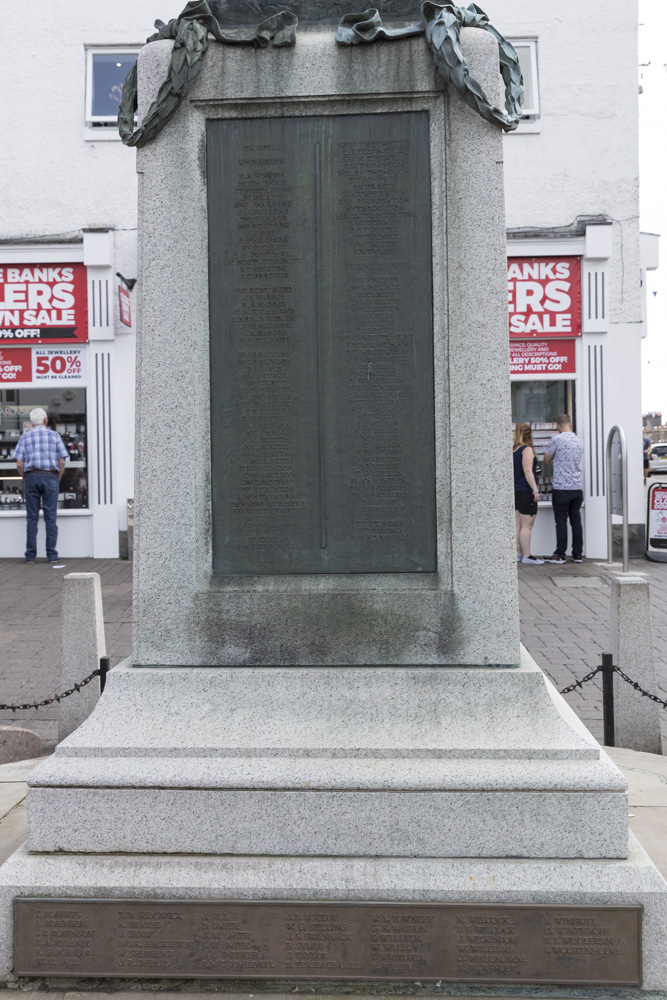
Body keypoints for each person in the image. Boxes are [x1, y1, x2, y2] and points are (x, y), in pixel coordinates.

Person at [14, 407, 67, 564]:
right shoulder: (55, 436)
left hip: (31, 476)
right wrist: (57, 477)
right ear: (45, 421)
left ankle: (30, 556)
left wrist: (25, 476)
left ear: (31, 423)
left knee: (32, 518)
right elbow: (62, 461)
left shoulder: (25, 437)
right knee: (51, 518)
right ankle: (51, 555)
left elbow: (18, 463)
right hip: (50, 476)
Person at [542, 414, 584, 565]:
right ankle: (578, 554)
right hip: (577, 487)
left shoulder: (556, 440)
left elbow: (546, 459)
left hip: (561, 487)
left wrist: (554, 462)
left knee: (561, 521)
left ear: (558, 426)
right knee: (576, 520)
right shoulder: (579, 441)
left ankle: (560, 554)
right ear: (571, 425)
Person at [513, 422, 544, 564]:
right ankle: (527, 555)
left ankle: (519, 554)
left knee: (518, 525)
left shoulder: (514, 450)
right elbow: (527, 471)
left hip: (516, 491)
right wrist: (535, 490)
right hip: (525, 491)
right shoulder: (527, 450)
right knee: (527, 525)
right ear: (529, 434)